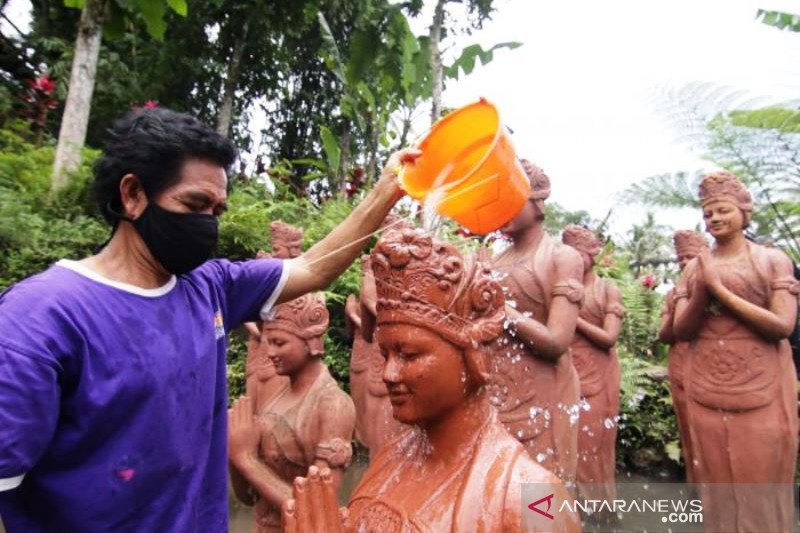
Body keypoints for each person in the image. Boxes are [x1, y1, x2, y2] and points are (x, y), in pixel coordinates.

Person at [0, 107, 419, 532]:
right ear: (132, 195)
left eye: (216, 210)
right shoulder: (39, 320)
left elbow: (313, 267)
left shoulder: (210, 287)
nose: (207, 223)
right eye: (195, 204)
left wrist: (387, 190)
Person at [281, 223, 579, 533]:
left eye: (409, 355)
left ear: (473, 355)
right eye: (386, 355)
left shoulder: (536, 497)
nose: (389, 373)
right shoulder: (390, 458)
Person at [673, 171, 799, 532]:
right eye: (708, 213)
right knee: (716, 481)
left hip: (762, 385)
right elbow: (681, 330)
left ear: (745, 212)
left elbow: (782, 325)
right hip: (706, 385)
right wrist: (700, 291)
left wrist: (719, 291)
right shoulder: (695, 268)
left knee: (760, 482)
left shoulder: (773, 260)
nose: (714, 218)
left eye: (723, 210)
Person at [488, 160, 584, 484]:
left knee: (539, 496)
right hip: (496, 391)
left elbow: (557, 342)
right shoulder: (493, 260)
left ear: (537, 202)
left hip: (543, 393)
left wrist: (502, 312)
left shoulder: (562, 258)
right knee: (496, 492)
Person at [228, 292, 355, 533]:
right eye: (268, 342)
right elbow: (248, 498)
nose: (270, 353)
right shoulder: (276, 396)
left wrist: (246, 461)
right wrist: (234, 449)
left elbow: (318, 511)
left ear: (310, 342)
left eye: (279, 343)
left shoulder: (333, 405)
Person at [561, 225, 623, 504]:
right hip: (566, 373)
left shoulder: (607, 290)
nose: (572, 259)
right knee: (564, 443)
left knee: (592, 445)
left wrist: (573, 317)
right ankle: (565, 509)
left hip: (598, 376)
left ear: (591, 256)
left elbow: (609, 337)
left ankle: (598, 508)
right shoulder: (559, 289)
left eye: (578, 253)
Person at [658, 230, 708, 483]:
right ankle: (694, 486)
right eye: (681, 259)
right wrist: (680, 301)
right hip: (680, 363)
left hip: (711, 366)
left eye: (691, 256)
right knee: (688, 430)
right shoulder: (673, 294)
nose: (685, 263)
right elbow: (666, 333)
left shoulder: (715, 286)